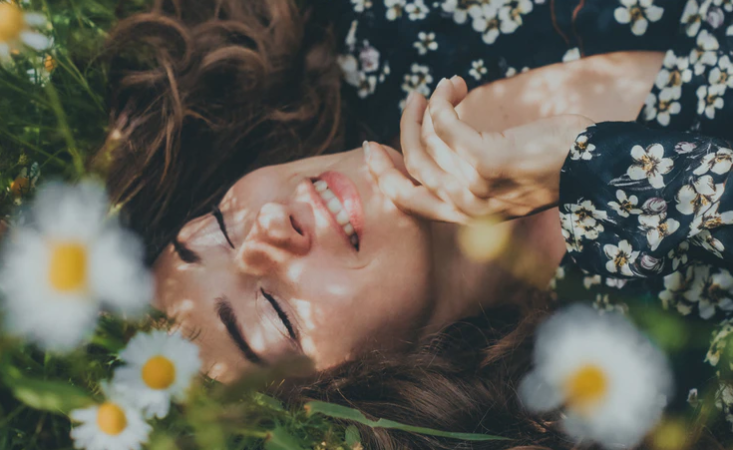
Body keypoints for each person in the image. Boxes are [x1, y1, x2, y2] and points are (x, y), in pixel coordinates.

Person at [98, 0, 730, 447]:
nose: (267, 226)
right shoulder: (648, 379)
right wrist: (592, 172)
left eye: (219, 227)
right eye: (275, 311)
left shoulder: (387, 23)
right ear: (356, 390)